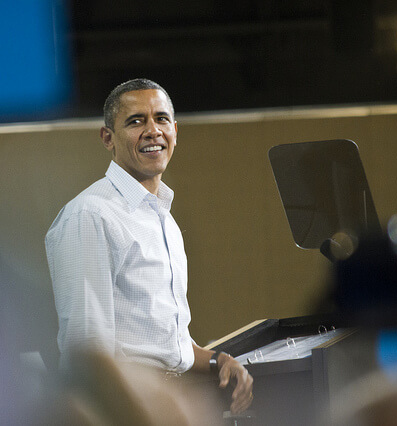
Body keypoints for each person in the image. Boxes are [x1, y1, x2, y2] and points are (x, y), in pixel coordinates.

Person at [45, 78, 253, 414]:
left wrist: (220, 361)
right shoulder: (90, 215)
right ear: (107, 138)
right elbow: (87, 352)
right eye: (136, 121)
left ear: (175, 131)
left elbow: (168, 347)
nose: (152, 130)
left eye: (161, 119)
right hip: (129, 409)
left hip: (172, 402)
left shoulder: (163, 219)